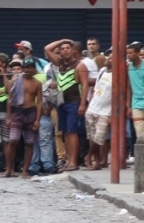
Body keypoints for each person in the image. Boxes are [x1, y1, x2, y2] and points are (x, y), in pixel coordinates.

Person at [44, 39, 89, 171]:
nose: (65, 50)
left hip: (74, 102)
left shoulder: (80, 65)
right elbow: (47, 48)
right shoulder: (59, 63)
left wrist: (82, 104)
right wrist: (63, 40)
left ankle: (74, 162)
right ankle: (69, 161)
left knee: (72, 132)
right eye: (62, 48)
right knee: (65, 133)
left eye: (68, 48)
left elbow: (85, 85)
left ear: (73, 50)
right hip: (61, 102)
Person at [6, 57, 43, 178]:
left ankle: (25, 170)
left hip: (31, 112)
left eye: (31, 67)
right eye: (26, 67)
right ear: (23, 69)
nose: (29, 69)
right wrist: (9, 117)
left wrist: (37, 119)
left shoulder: (37, 83)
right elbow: (10, 99)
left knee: (30, 143)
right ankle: (9, 169)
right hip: (17, 112)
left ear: (34, 68)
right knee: (13, 141)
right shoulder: (16, 81)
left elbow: (39, 102)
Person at [85, 55, 113, 170]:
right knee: (92, 137)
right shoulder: (102, 71)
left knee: (99, 137)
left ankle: (88, 156)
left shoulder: (117, 74)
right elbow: (96, 89)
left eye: (111, 58)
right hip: (93, 107)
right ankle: (97, 162)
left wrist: (112, 114)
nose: (107, 59)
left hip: (106, 110)